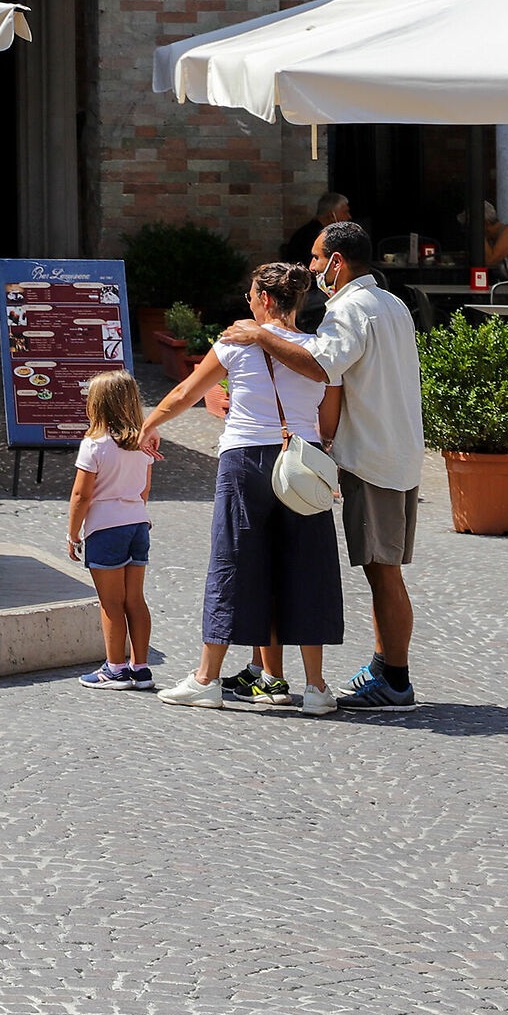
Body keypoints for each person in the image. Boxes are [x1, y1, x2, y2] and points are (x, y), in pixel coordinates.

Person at [212, 220, 424, 711]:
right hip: (399, 450)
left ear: (336, 262)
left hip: (373, 458)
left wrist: (259, 337)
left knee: (382, 571)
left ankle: (395, 678)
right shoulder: (391, 303)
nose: (310, 268)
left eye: (314, 258)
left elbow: (321, 368)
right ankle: (383, 664)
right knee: (382, 568)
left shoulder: (348, 310)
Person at [143, 263, 345, 717]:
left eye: (252, 294)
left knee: (233, 563)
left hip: (246, 459)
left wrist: (149, 424)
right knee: (307, 567)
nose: (248, 300)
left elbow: (185, 393)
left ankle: (206, 679)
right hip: (303, 464)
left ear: (267, 300)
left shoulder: (235, 343)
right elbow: (328, 422)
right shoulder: (320, 350)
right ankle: (315, 688)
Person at [65, 370, 156, 691]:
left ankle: (115, 668)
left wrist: (73, 533)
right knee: (135, 600)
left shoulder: (94, 445)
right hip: (137, 524)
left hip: (106, 528)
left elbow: (81, 495)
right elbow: (144, 491)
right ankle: (140, 668)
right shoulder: (143, 446)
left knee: (111, 603)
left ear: (96, 404)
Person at [283, 192, 349, 267]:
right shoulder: (317, 236)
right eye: (345, 212)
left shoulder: (307, 231)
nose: (349, 216)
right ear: (331, 215)